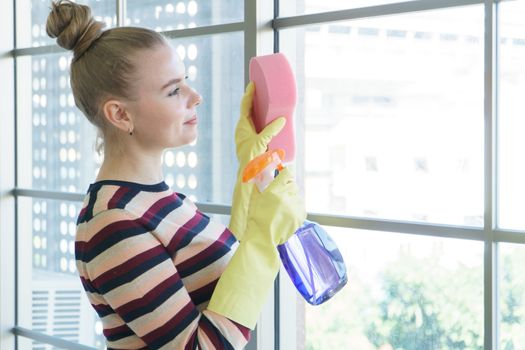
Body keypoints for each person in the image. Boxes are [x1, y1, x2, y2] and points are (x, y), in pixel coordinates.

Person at [45, 1, 306, 349]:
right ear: (120, 114)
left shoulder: (156, 200)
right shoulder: (113, 225)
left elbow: (223, 275)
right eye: (173, 90)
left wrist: (250, 172)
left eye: (187, 82)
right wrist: (262, 240)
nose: (195, 97)